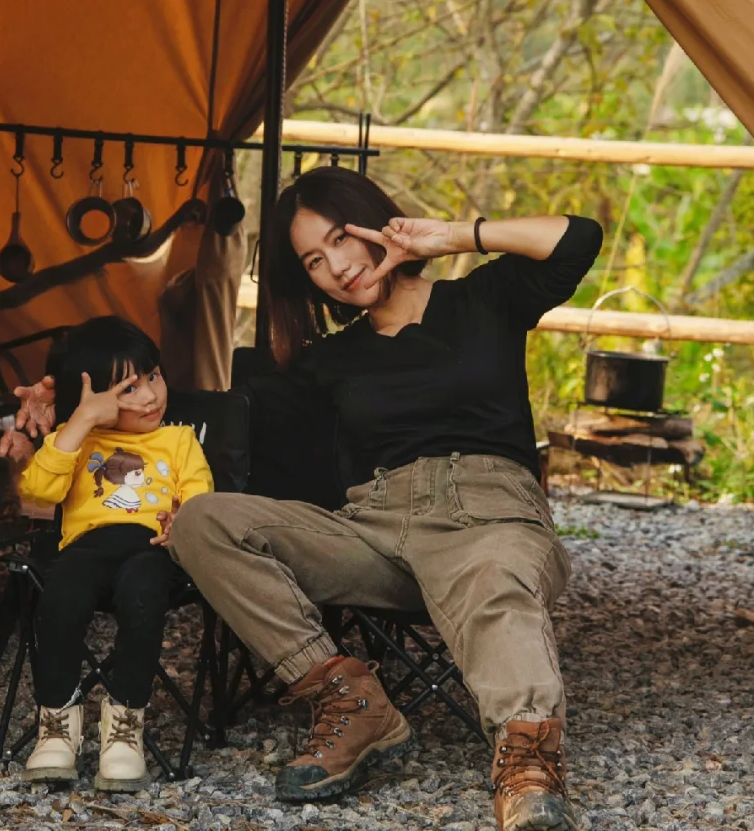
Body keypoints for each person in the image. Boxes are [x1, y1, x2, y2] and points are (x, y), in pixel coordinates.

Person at [169, 168, 602, 831]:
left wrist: (451, 236)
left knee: (495, 580)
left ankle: (529, 768)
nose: (337, 267)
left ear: (376, 221)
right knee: (204, 520)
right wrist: (84, 405)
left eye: (340, 238)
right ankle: (352, 701)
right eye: (314, 260)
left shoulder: (485, 298)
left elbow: (578, 238)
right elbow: (224, 414)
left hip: (487, 518)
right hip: (375, 532)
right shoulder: (331, 359)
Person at [10, 317, 213, 792]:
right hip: (88, 547)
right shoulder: (76, 438)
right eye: (129, 389)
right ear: (95, 399)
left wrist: (183, 520)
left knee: (143, 592)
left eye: (153, 377)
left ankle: (125, 723)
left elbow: (200, 496)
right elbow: (38, 489)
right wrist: (81, 421)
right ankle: (57, 722)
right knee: (60, 595)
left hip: (153, 550)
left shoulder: (178, 440)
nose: (150, 396)